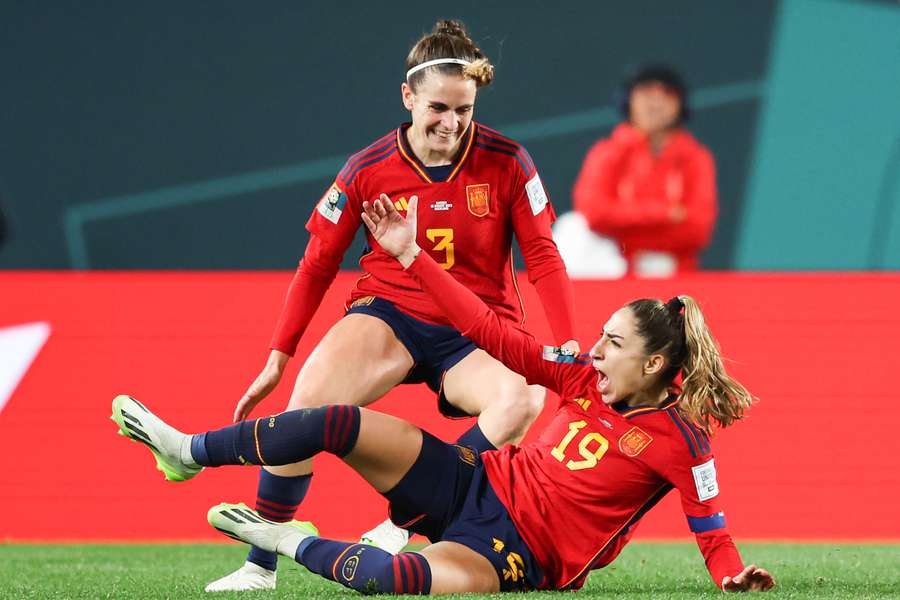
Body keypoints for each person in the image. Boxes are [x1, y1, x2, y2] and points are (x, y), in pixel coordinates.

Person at [110, 195, 775, 595]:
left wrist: (731, 578)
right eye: (599, 337)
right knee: (336, 420)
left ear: (656, 363)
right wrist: (410, 258)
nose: (594, 351)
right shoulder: (579, 376)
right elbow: (488, 329)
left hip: (518, 552)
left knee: (392, 581)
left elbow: (711, 529)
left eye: (613, 344)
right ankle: (189, 450)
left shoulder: (683, 441)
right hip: (472, 483)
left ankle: (282, 541)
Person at [205, 19, 578, 592]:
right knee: (306, 402)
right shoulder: (367, 167)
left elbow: (544, 256)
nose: (452, 124)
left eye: (465, 111)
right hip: (391, 313)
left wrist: (568, 342)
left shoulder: (509, 162)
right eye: (438, 108)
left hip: (477, 329)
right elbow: (316, 265)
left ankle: (403, 521)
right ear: (408, 97)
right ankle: (261, 566)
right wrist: (279, 356)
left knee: (520, 399)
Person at [567, 64, 717, 276]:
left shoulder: (696, 157)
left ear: (679, 105)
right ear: (629, 100)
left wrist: (625, 228)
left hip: (676, 285)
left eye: (666, 94)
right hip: (615, 278)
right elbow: (594, 214)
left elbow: (698, 230)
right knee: (571, 228)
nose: (655, 103)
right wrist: (666, 213)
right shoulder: (607, 152)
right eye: (646, 93)